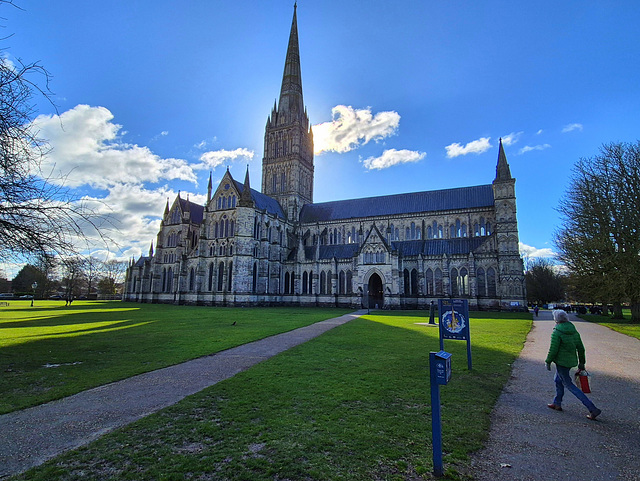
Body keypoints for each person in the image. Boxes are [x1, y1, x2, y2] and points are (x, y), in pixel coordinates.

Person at [545, 309, 601, 420]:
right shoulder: (573, 331)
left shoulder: (557, 332)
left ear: (556, 319)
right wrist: (581, 363)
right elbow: (581, 348)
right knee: (558, 380)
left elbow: (553, 349)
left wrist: (548, 361)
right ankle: (557, 403)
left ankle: (592, 408)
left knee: (569, 385)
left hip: (561, 362)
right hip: (570, 361)